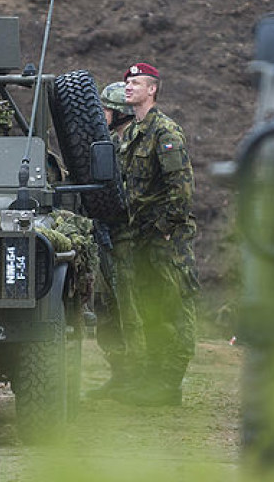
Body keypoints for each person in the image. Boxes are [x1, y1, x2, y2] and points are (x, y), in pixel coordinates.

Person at [113, 62, 199, 407]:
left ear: (153, 90)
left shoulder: (165, 133)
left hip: (165, 240)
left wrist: (164, 230)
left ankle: (169, 384)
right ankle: (152, 381)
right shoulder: (133, 133)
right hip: (141, 236)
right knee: (151, 309)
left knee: (173, 308)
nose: (129, 87)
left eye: (136, 83)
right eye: (127, 82)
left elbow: (182, 190)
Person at [87, 82, 146, 399]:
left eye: (106, 110)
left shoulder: (134, 144)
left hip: (128, 237)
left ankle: (139, 378)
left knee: (131, 309)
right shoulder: (106, 145)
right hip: (105, 235)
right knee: (106, 308)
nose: (100, 115)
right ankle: (120, 375)